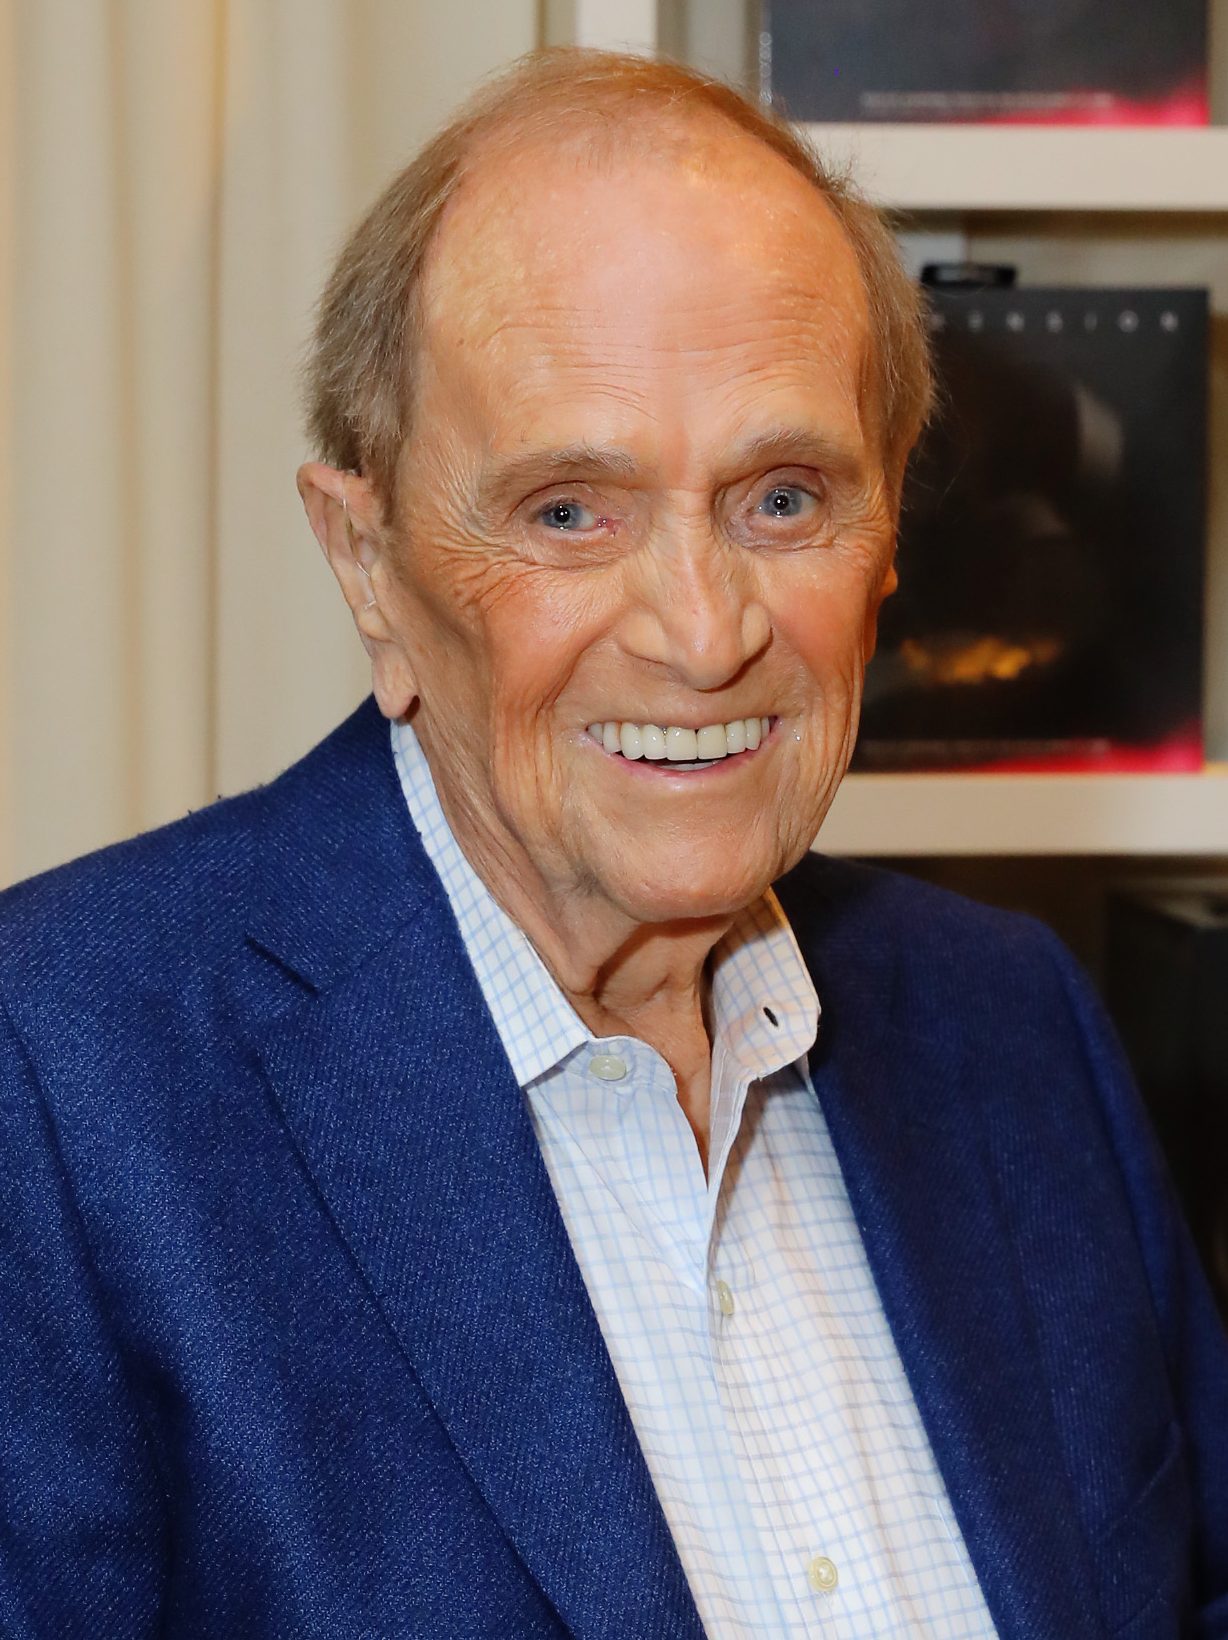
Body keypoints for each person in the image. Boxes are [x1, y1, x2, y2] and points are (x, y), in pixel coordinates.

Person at [0, 46, 1224, 1640]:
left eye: (784, 498)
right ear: (367, 565)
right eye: (572, 511)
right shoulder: (60, 1078)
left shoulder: (1014, 1023)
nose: (705, 634)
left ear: (890, 539)